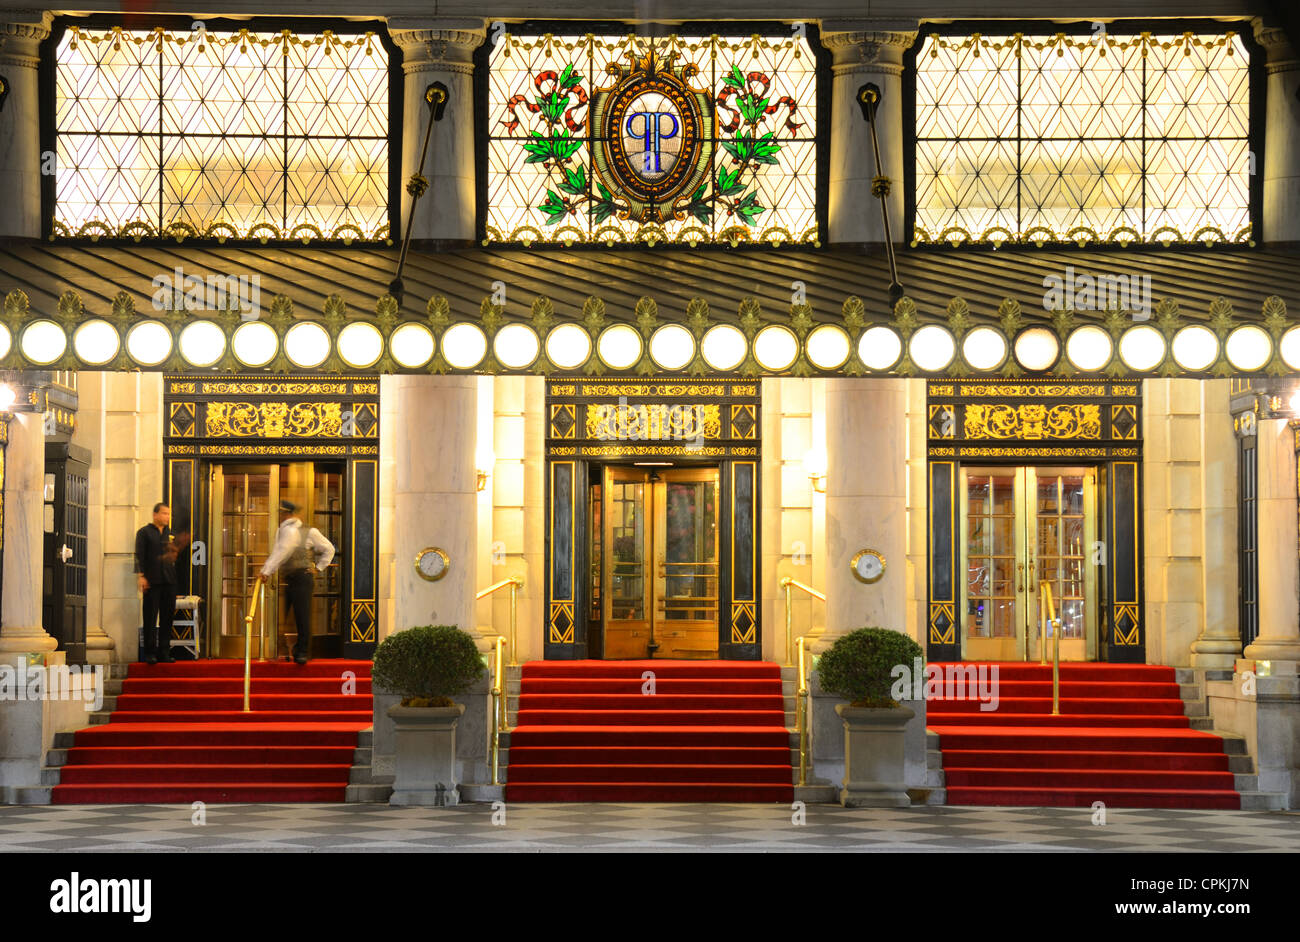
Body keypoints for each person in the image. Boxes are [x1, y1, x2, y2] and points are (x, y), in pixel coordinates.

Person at [261, 500, 335, 665]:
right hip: (287, 578)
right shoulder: (281, 531)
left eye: (282, 513)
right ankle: (285, 650)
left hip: (302, 577)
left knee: (302, 615)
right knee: (281, 616)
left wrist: (319, 567)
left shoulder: (309, 532)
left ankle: (302, 652)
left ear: (289, 514)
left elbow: (329, 548)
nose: (280, 516)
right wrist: (270, 570)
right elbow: (277, 552)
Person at [135, 502, 178, 665]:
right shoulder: (144, 533)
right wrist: (141, 576)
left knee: (167, 618)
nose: (167, 517)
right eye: (164, 513)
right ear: (155, 515)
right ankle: (150, 652)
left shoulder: (170, 534)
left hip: (169, 581)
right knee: (150, 617)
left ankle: (164, 652)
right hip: (152, 581)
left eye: (169, 514)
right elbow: (139, 555)